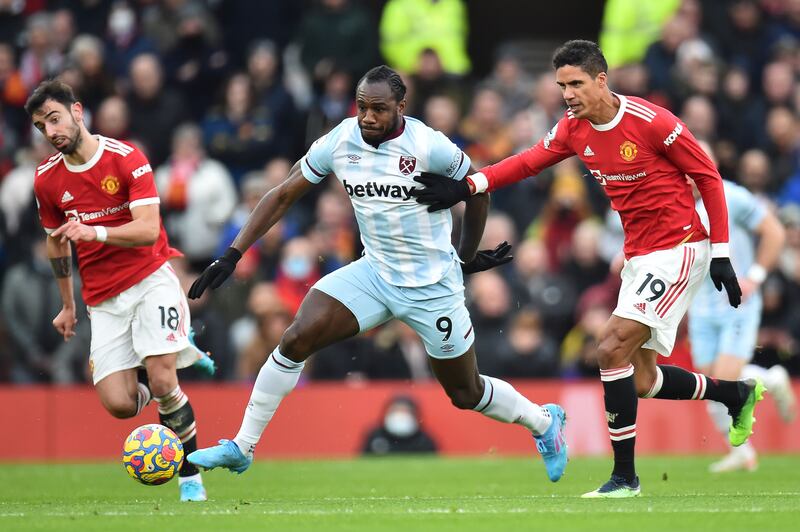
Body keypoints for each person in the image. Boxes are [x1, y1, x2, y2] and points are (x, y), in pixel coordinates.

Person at [410, 40, 764, 498]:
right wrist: (467, 186)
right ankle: (736, 395)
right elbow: (528, 162)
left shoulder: (654, 122)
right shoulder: (573, 129)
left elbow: (708, 179)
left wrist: (721, 252)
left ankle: (625, 479)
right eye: (561, 86)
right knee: (641, 380)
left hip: (680, 248)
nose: (568, 94)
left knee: (609, 346)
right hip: (639, 257)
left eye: (576, 83)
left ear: (601, 80)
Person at [186, 65, 568, 483]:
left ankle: (543, 422)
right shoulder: (341, 139)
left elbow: (479, 189)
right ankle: (242, 447)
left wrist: (465, 256)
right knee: (296, 337)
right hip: (374, 273)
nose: (368, 117)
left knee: (466, 393)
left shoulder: (429, 145)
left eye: (379, 109)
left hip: (432, 287)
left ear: (401, 107)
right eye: (362, 106)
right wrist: (232, 254)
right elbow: (282, 195)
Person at [25, 80, 213, 502]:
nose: (50, 131)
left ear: (77, 111)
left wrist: (92, 231)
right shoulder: (46, 181)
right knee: (120, 405)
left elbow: (147, 231)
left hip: (150, 280)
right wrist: (67, 304)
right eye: (41, 126)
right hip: (103, 299)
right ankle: (159, 356)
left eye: (54, 118)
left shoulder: (126, 157)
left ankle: (189, 477)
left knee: (166, 382)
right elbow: (56, 240)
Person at [688, 142, 794, 473]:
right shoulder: (677, 202)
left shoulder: (730, 196)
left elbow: (774, 232)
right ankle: (742, 452)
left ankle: (772, 379)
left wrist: (755, 277)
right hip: (700, 306)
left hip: (737, 302)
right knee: (709, 384)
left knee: (723, 378)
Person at [362, 395, 438, 455]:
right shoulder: (375, 436)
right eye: (396, 410)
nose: (400, 415)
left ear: (415, 415)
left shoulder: (423, 440)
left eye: (405, 411)